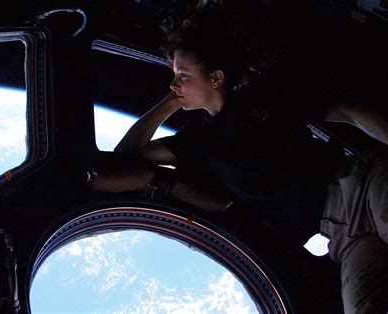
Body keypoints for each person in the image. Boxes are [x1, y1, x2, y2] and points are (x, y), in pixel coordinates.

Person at [88, 5, 388, 312]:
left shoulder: (266, 95)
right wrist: (169, 104)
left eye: (183, 75)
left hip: (362, 185)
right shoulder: (199, 142)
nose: (174, 84)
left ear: (216, 78)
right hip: (342, 235)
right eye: (174, 76)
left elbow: (346, 111)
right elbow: (124, 158)